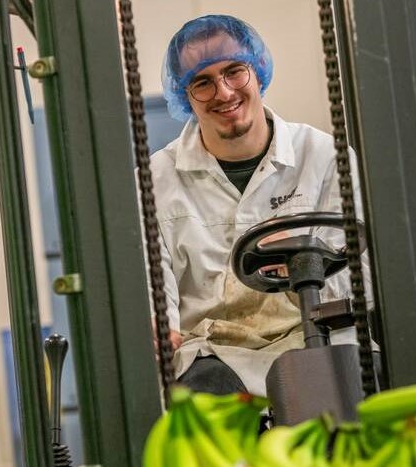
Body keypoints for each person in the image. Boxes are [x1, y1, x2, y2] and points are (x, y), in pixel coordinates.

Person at [151, 14, 372, 397]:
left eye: (234, 72)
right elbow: (153, 282)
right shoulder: (157, 178)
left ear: (258, 71)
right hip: (216, 352)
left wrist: (307, 264)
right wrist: (158, 326)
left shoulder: (322, 156)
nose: (223, 92)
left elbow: (362, 275)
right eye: (202, 82)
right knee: (202, 406)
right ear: (185, 96)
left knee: (364, 385)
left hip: (316, 334)